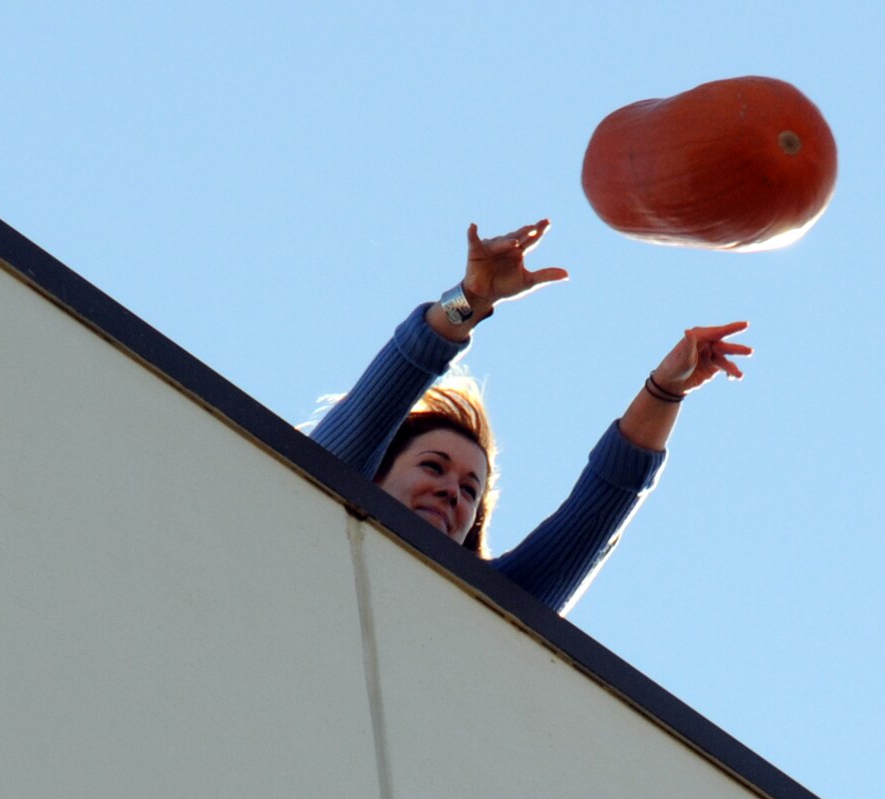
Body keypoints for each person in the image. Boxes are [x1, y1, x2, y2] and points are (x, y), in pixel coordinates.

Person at [310, 218, 749, 613]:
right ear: (375, 471)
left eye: (469, 491)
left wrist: (666, 389)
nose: (451, 493)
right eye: (432, 466)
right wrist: (470, 300)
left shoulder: (490, 612)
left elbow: (597, 511)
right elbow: (386, 393)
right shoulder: (311, 495)